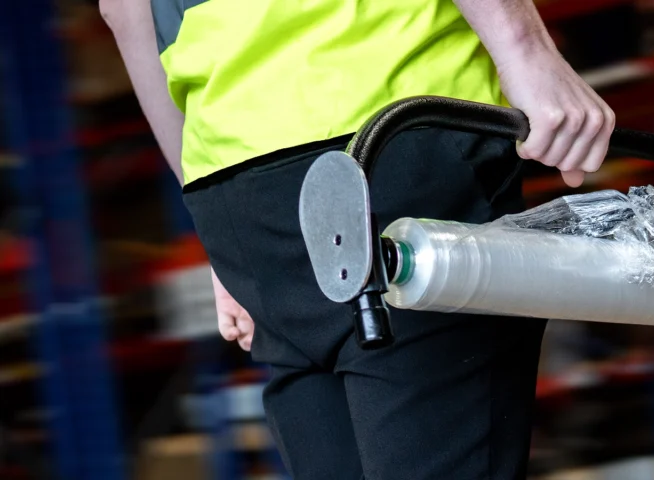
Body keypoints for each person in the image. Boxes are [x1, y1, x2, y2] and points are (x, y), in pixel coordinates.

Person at [100, 0, 615, 478]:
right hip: (394, 127)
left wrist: (210, 217)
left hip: (237, 188)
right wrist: (526, 52)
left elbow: (122, 11)